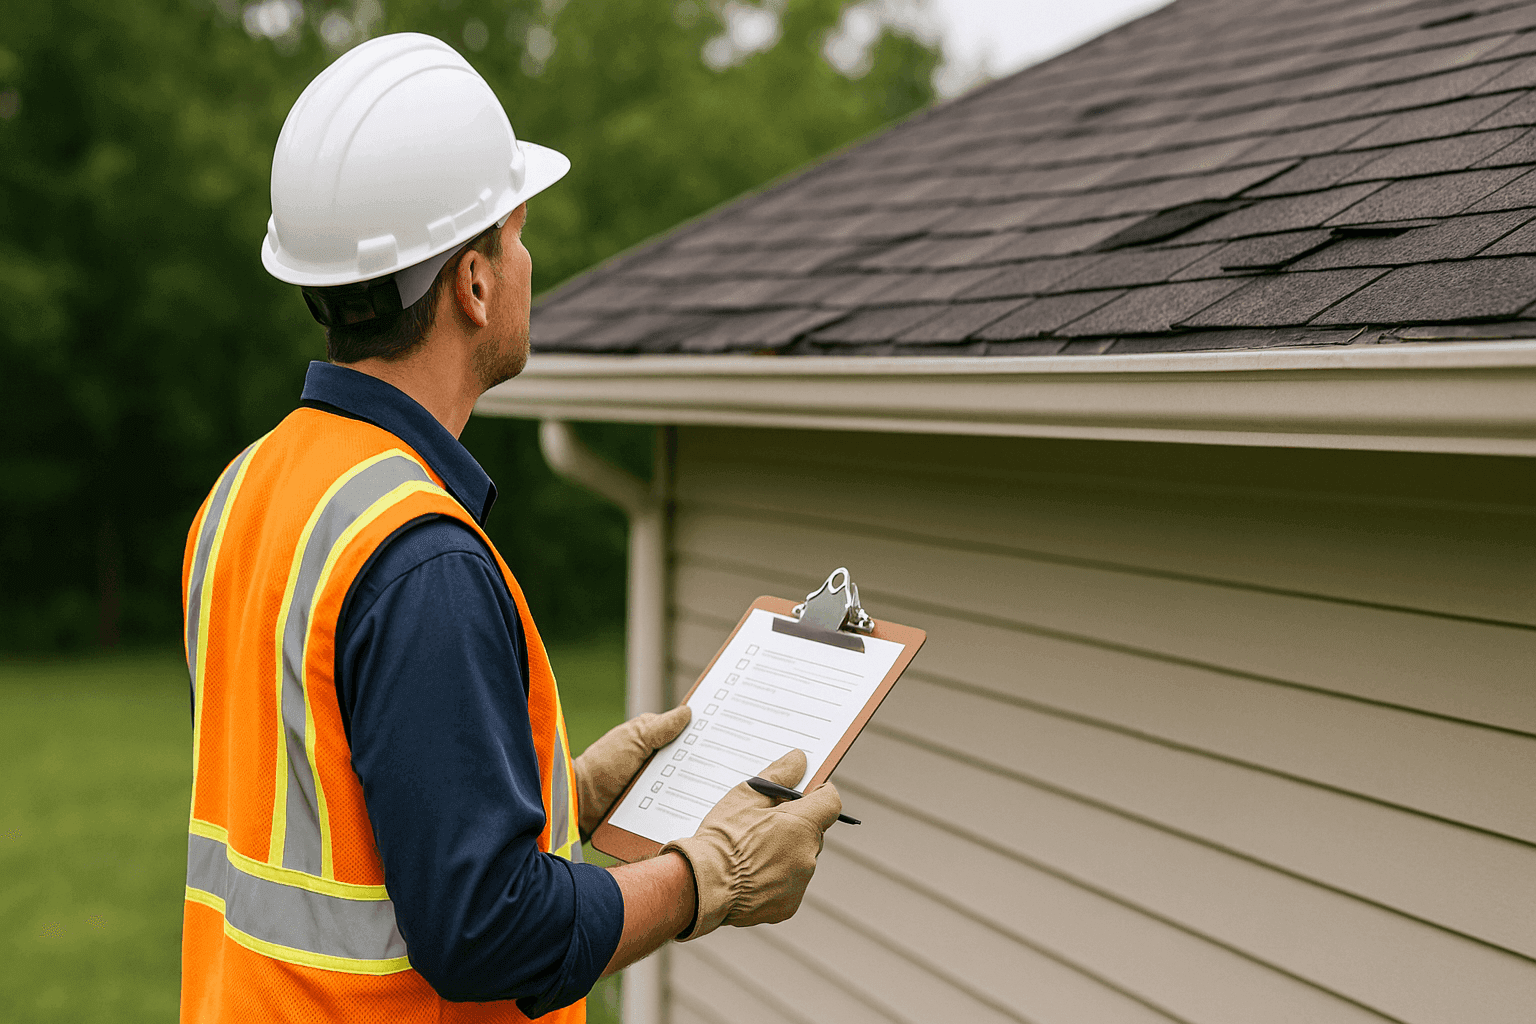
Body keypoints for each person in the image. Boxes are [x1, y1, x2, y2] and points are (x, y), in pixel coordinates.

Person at [179, 32, 841, 1023]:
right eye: (518, 234)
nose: (530, 261)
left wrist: (564, 794)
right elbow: (483, 926)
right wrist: (712, 875)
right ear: (475, 284)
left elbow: (340, 808)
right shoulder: (419, 559)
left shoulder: (243, 492)